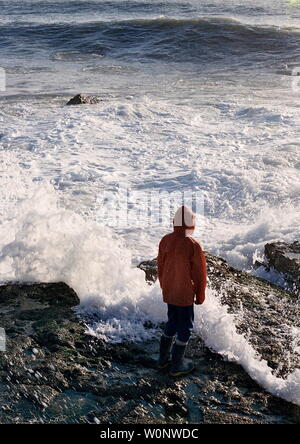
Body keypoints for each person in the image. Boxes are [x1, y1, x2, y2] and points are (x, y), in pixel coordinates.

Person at [157, 205, 207, 376]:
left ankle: (163, 360)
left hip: (170, 291)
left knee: (171, 321)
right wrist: (200, 295)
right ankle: (177, 365)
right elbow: (199, 274)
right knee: (185, 327)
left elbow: (160, 268)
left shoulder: (165, 240)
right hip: (185, 294)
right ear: (191, 224)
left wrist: (164, 287)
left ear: (174, 222)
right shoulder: (193, 244)